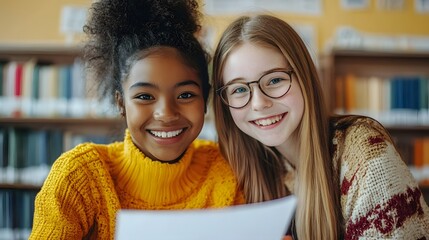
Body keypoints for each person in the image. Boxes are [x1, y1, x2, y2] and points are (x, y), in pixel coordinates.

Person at [29, 0, 243, 239]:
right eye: (144, 96)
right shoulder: (80, 178)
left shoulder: (227, 168)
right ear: (121, 103)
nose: (166, 113)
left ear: (204, 99)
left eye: (185, 95)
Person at [211, 14, 429, 239]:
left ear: (304, 77)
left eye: (275, 80)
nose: (259, 104)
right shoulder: (248, 164)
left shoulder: (364, 152)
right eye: (238, 89)